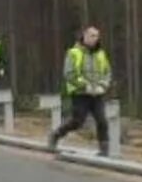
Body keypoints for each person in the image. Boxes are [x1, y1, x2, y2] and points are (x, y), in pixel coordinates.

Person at [48, 25, 113, 156]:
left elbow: (107, 72)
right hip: (80, 94)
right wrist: (85, 86)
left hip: (97, 93)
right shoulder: (74, 53)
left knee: (102, 120)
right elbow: (69, 74)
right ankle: (56, 134)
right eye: (91, 36)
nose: (94, 39)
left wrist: (103, 85)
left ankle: (104, 150)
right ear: (84, 36)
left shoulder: (101, 54)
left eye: (96, 36)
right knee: (77, 121)